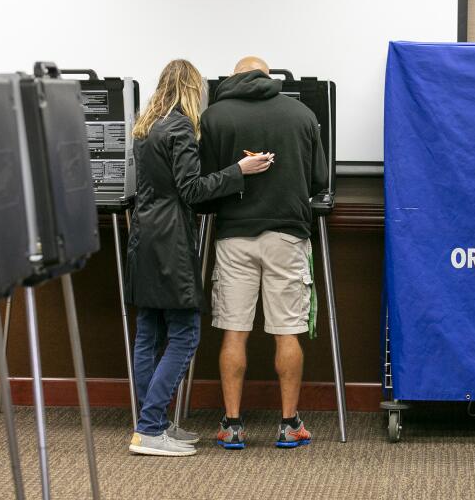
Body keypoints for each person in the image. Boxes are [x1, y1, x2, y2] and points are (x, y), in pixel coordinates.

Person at [124, 59, 274, 457]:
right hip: (171, 241)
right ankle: (151, 428)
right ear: (193, 90)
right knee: (185, 335)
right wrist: (239, 170)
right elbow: (191, 190)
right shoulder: (180, 130)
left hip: (143, 237)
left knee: (147, 335)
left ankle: (151, 423)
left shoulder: (146, 128)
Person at [200, 56, 328, 449]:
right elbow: (319, 180)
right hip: (287, 237)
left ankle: (232, 425)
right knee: (287, 332)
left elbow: (205, 183)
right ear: (268, 78)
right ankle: (289, 425)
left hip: (234, 237)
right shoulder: (301, 114)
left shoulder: (215, 116)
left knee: (234, 333)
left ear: (235, 78)